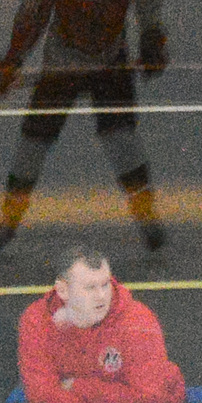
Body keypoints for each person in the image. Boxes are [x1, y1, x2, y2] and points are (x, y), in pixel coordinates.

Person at [0, 0, 167, 252]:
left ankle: (147, 217)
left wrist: (152, 35)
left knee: (121, 139)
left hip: (108, 58)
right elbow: (34, 14)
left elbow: (148, 4)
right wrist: (12, 60)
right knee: (34, 141)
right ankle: (8, 221)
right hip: (63, 58)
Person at [17, 244, 182, 403]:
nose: (101, 296)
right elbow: (41, 400)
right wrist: (113, 400)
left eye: (105, 285)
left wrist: (78, 386)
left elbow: (149, 402)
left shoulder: (137, 320)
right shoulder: (37, 319)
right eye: (90, 288)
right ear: (63, 290)